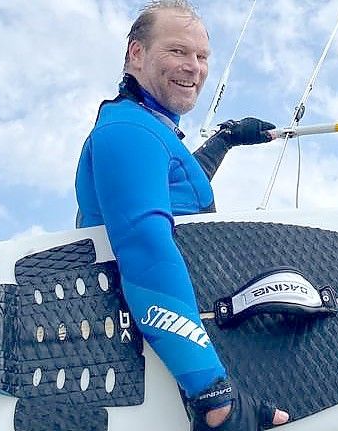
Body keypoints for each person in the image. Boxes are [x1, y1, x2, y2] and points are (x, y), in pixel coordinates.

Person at [74, 1, 289, 430]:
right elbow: (144, 247)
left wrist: (225, 140)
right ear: (137, 54)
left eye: (202, 56)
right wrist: (211, 393)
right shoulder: (128, 132)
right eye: (177, 51)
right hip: (150, 347)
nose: (193, 67)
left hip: (167, 340)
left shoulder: (143, 128)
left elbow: (182, 190)